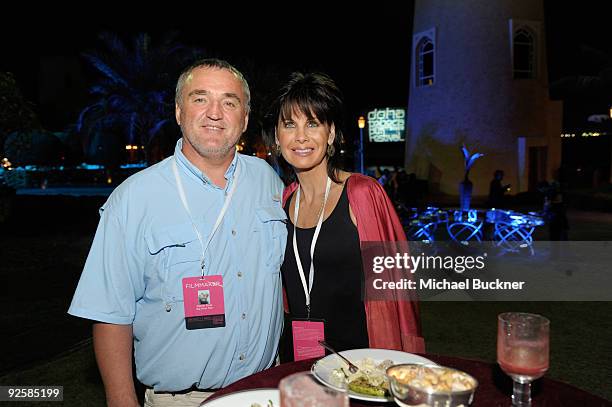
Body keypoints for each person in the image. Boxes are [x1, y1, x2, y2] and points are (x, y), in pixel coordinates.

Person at [68, 59, 287, 407]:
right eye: (200, 98)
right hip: (183, 400)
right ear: (179, 111)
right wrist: (122, 400)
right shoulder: (133, 200)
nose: (215, 112)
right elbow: (111, 314)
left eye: (229, 102)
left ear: (244, 119)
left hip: (266, 390)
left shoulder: (268, 182)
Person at [264, 72, 424, 361]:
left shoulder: (362, 193)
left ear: (332, 134)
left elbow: (398, 288)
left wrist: (398, 361)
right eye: (290, 124)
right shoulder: (283, 201)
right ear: (277, 136)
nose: (301, 136)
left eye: (313, 123)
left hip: (362, 362)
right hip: (296, 359)